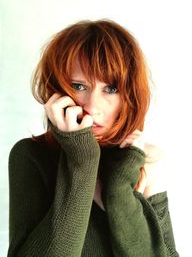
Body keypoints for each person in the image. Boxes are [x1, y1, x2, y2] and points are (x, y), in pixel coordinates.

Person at [8, 19, 179, 257]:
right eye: (78, 86)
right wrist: (82, 160)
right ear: (58, 90)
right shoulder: (31, 156)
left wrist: (119, 189)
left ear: (129, 95)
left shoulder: (143, 161)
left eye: (110, 89)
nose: (92, 106)